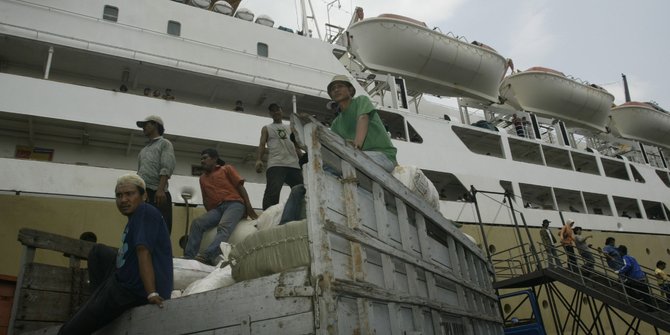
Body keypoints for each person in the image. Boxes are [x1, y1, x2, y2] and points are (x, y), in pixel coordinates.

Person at [58, 174, 173, 334]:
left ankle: (96, 304)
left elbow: (143, 251)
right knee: (98, 252)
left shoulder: (144, 212)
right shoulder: (137, 217)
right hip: (125, 278)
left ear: (144, 196)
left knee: (68, 331)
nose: (123, 200)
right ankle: (96, 301)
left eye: (129, 194)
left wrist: (152, 293)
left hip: (132, 289)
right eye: (119, 195)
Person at [184, 149, 258, 265]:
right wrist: (210, 217)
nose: (202, 161)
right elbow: (206, 199)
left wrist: (248, 206)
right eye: (201, 159)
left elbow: (240, 188)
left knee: (223, 227)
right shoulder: (202, 178)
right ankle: (189, 257)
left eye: (205, 158)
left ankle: (208, 255)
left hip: (235, 204)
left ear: (214, 159)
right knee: (197, 223)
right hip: (217, 209)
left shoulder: (226, 169)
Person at [328, 74, 397, 172]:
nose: (336, 90)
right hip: (357, 157)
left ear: (350, 90)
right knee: (328, 166)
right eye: (333, 89)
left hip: (383, 156)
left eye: (340, 86)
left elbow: (363, 118)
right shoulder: (335, 124)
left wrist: (356, 145)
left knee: (346, 160)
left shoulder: (361, 100)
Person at [255, 103, 304, 210]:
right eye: (273, 111)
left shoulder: (290, 128)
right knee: (273, 192)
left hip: (293, 165)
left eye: (277, 109)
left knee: (302, 190)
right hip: (276, 164)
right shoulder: (266, 128)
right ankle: (267, 216)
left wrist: (304, 159)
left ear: (282, 111)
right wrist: (259, 160)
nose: (275, 112)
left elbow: (295, 146)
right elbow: (262, 144)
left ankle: (302, 212)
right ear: (270, 114)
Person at [136, 115, 176, 234]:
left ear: (155, 125)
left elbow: (166, 166)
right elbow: (140, 172)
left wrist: (160, 190)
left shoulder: (165, 143)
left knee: (161, 229)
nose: (143, 128)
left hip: (158, 193)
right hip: (145, 194)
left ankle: (161, 253)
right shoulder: (143, 150)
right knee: (144, 228)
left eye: (145, 125)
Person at [616, 245, 653, 311]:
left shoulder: (625, 257)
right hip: (641, 276)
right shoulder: (632, 257)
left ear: (621, 252)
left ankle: (637, 297)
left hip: (635, 278)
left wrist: (619, 271)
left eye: (618, 252)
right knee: (645, 293)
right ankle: (651, 308)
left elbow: (628, 265)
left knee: (626, 286)